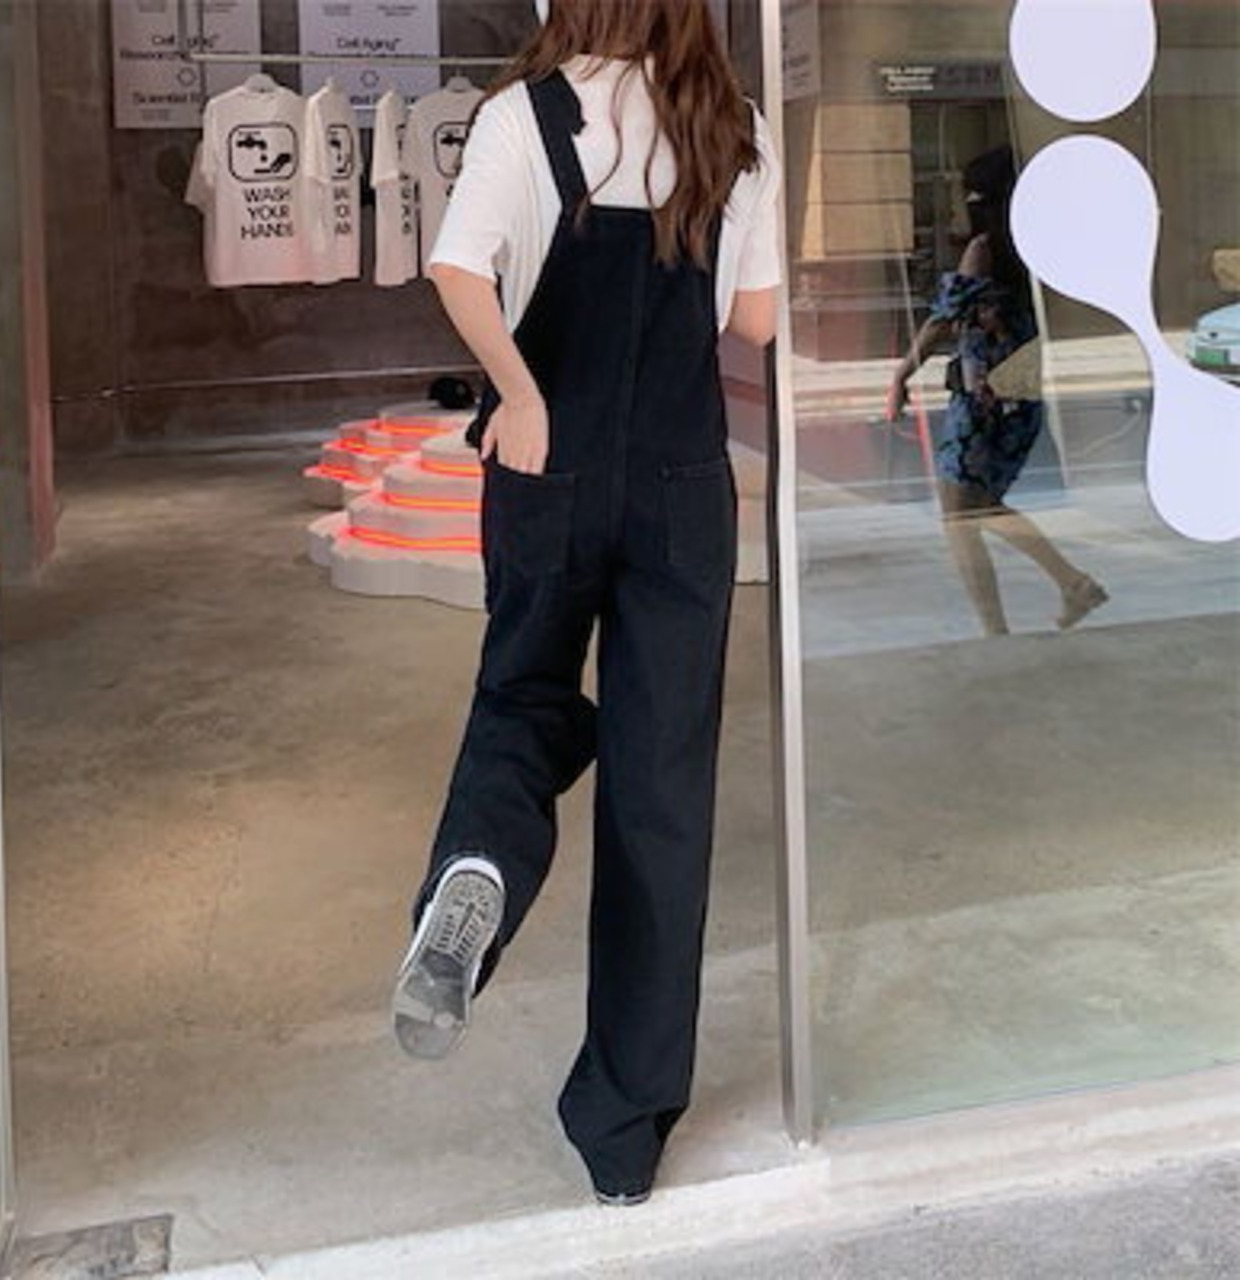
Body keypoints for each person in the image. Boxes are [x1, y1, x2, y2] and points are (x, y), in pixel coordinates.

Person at [390, 0, 781, 1207]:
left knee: (522, 693)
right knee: (662, 785)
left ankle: (479, 870)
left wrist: (518, 392)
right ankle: (623, 1129)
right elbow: (756, 321)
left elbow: (456, 269)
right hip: (679, 485)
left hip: (544, 466)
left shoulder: (524, 116)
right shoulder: (733, 127)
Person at [886, 145, 1108, 636]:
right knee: (978, 507)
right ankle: (1072, 585)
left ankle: (996, 627)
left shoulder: (983, 250)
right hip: (1017, 399)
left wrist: (902, 373)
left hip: (983, 405)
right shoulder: (1034, 249)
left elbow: (943, 320)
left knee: (960, 515)